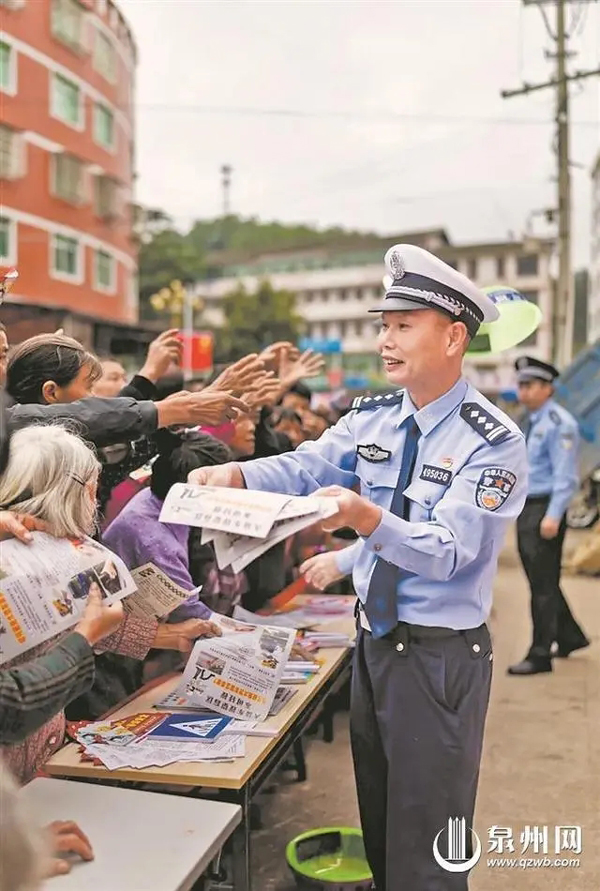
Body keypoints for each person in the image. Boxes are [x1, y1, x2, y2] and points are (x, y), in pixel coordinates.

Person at [189, 244, 528, 891]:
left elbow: (449, 550)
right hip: (374, 645)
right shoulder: (375, 415)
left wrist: (365, 517)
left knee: (426, 843)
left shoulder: (492, 440)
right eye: (384, 324)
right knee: (379, 822)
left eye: (404, 325)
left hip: (439, 658)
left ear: (453, 336)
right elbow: (307, 463)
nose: (385, 340)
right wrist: (233, 472)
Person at [0, 424, 219, 782]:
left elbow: (86, 622)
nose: (96, 499)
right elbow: (81, 634)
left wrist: (171, 635)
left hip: (45, 752)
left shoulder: (71, 551)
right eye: (92, 489)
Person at [508, 356, 589, 676]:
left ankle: (540, 653)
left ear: (547, 389)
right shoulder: (531, 420)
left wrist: (553, 516)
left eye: (529, 386)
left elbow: (566, 477)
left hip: (543, 509)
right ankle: (569, 635)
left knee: (541, 587)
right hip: (528, 507)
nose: (523, 392)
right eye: (521, 385)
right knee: (543, 581)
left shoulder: (559, 424)